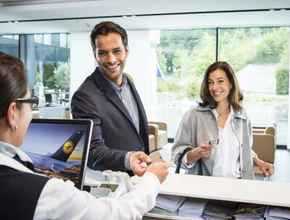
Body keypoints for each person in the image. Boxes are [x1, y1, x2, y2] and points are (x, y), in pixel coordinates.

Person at [0, 52, 168, 220]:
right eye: (32, 103)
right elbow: (116, 215)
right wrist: (151, 180)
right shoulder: (42, 193)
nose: (111, 59)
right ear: (13, 113)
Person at [71, 21, 151, 175]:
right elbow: (93, 152)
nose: (111, 59)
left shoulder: (129, 82)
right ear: (95, 54)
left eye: (116, 51)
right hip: (112, 186)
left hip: (139, 177)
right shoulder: (84, 96)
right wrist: (130, 159)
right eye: (102, 53)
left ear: (126, 51)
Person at [172, 61, 273, 179]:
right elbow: (176, 155)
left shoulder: (242, 116)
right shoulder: (193, 116)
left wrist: (258, 161)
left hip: (237, 188)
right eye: (210, 82)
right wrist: (195, 154)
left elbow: (244, 150)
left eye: (220, 81)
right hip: (204, 190)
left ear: (231, 84)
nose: (214, 87)